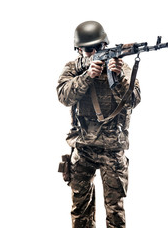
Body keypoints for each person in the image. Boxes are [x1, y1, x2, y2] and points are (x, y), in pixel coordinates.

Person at [57, 20, 141, 228]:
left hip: (113, 149)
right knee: (80, 210)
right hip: (83, 147)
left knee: (115, 211)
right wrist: (87, 76)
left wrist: (119, 76)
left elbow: (134, 100)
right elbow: (63, 96)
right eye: (88, 49)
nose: (94, 52)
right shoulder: (73, 69)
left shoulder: (120, 68)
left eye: (99, 47)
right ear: (79, 49)